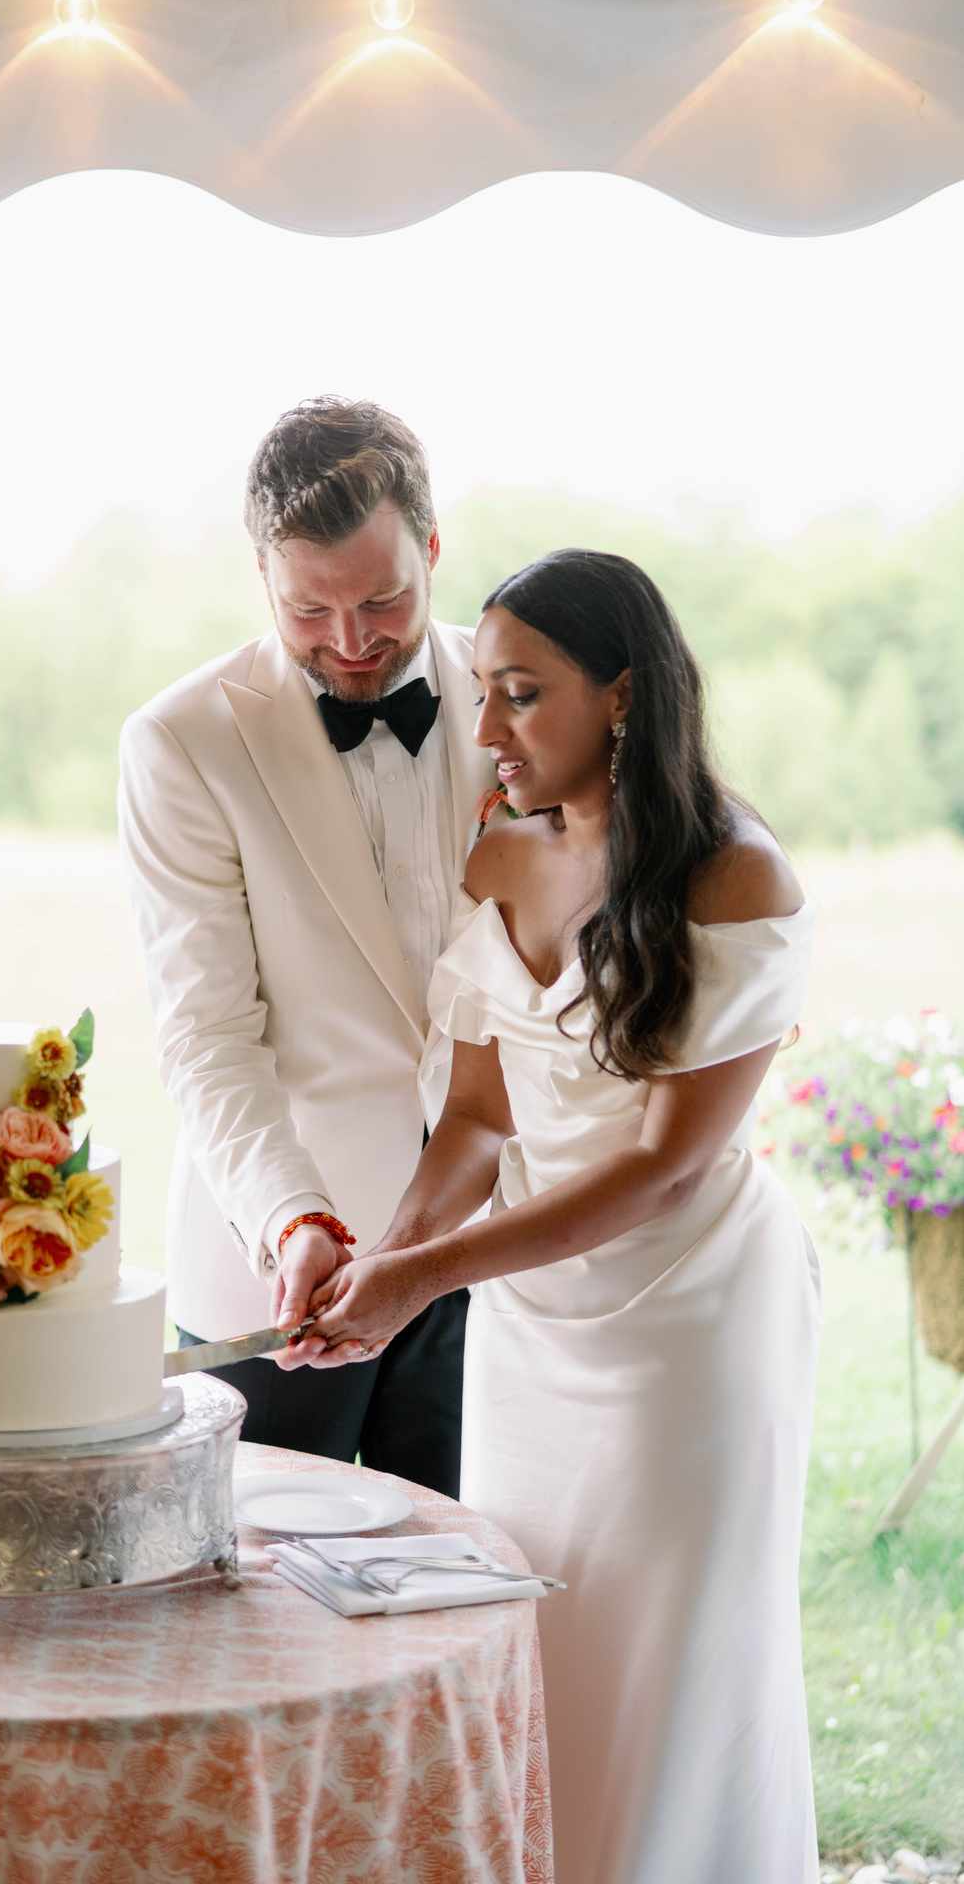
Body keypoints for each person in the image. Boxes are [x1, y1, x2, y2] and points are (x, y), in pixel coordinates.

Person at [288, 547, 822, 1884]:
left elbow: (666, 1170)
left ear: (625, 695)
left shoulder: (737, 881)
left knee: (668, 1675)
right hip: (535, 1333)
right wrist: (387, 1262)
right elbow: (477, 1118)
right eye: (482, 692)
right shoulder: (505, 854)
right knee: (537, 1652)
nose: (486, 732)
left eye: (522, 695)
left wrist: (438, 1274)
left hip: (685, 1328)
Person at [117, 397, 495, 1494]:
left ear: (431, 547)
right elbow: (208, 1036)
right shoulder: (183, 743)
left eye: (382, 598)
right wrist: (292, 1217)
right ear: (263, 579)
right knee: (272, 1599)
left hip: (497, 1257)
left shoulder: (519, 702)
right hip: (288, 1275)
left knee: (479, 1582)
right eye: (308, 610)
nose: (351, 640)